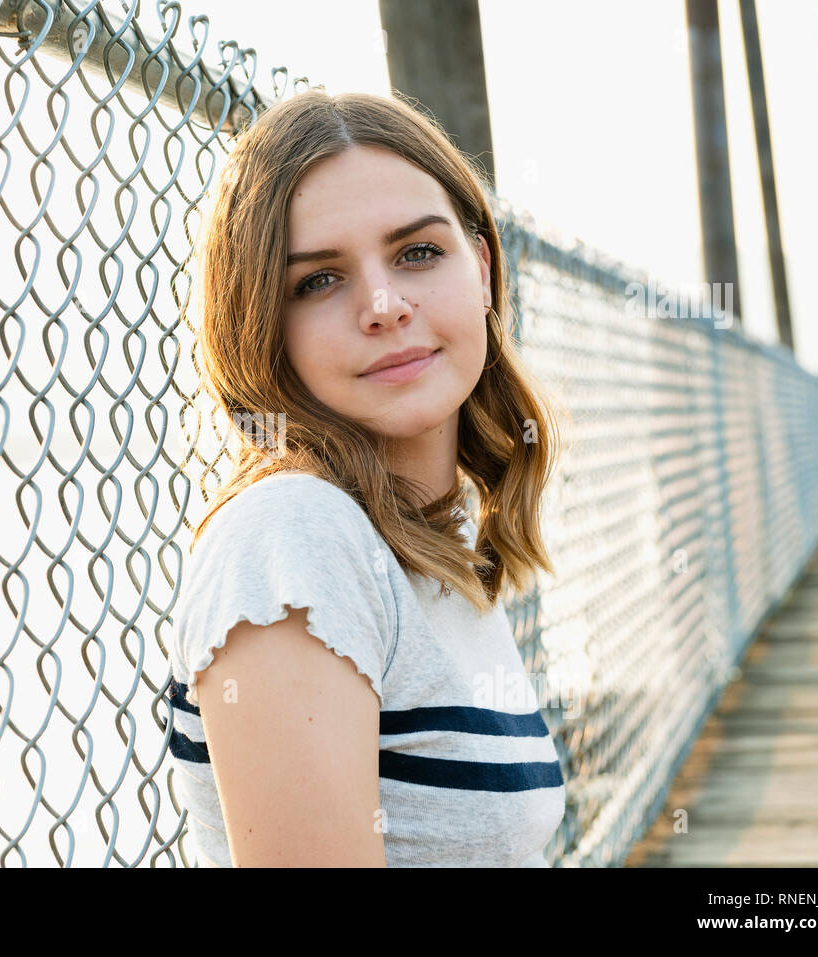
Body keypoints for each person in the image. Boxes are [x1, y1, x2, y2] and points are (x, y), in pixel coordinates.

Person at [167, 89, 569, 867]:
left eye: (418, 252)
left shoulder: (433, 534)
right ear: (259, 326)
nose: (384, 305)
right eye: (317, 281)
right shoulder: (292, 535)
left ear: (482, 269)